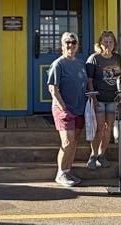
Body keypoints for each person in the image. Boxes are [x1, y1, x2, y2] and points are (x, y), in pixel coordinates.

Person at [46, 31, 88, 187]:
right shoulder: (58, 64)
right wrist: (64, 108)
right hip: (63, 109)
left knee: (74, 141)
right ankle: (61, 173)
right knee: (67, 142)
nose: (70, 45)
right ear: (62, 45)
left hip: (79, 108)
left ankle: (68, 170)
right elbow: (53, 89)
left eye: (73, 42)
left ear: (77, 45)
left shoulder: (80, 63)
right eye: (67, 42)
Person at [86, 30, 121, 170]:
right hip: (99, 98)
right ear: (100, 44)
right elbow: (89, 80)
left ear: (114, 44)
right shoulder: (94, 59)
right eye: (105, 42)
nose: (108, 44)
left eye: (110, 42)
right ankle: (93, 155)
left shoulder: (118, 58)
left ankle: (102, 155)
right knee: (99, 128)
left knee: (108, 128)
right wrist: (93, 97)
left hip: (113, 99)